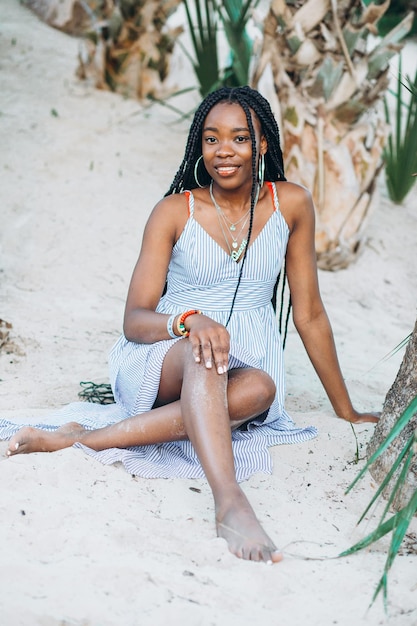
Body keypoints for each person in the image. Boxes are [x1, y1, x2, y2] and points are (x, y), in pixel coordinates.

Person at [5, 86, 379, 563]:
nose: (225, 151)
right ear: (199, 146)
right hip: (162, 359)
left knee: (260, 389)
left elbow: (309, 314)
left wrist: (344, 409)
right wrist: (189, 320)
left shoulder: (292, 205)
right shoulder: (172, 212)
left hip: (241, 367)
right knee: (205, 352)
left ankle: (78, 437)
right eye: (212, 138)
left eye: (240, 138)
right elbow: (134, 321)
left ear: (263, 145)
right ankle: (230, 503)